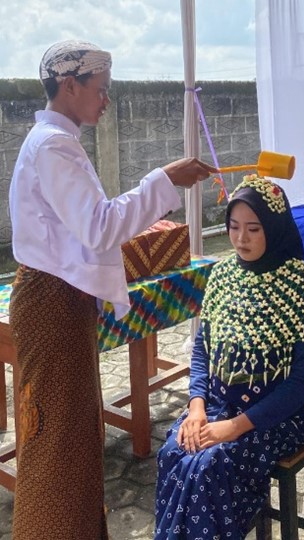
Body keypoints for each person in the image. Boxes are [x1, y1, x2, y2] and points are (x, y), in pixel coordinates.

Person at [8, 40, 217, 540]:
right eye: (100, 89)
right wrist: (163, 180)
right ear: (69, 85)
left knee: (72, 435)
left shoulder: (57, 141)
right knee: (58, 439)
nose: (107, 100)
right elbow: (100, 227)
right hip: (51, 304)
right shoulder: (52, 146)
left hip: (60, 300)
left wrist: (161, 185)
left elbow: (86, 228)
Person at [155, 174, 304, 539]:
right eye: (234, 227)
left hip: (284, 412)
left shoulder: (301, 284)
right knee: (174, 451)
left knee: (210, 467)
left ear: (274, 228)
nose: (240, 239)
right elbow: (202, 348)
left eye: (253, 229)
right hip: (220, 402)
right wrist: (197, 406)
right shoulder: (222, 275)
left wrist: (235, 427)